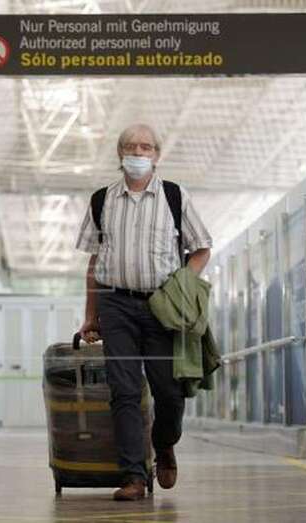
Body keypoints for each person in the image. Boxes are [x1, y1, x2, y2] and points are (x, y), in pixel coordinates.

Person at [75, 123, 213, 501]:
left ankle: (164, 443)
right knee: (124, 390)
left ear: (157, 154)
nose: (139, 152)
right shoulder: (102, 200)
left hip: (161, 307)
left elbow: (201, 248)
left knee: (169, 393)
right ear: (120, 154)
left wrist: (181, 285)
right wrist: (90, 315)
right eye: (131, 147)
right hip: (115, 304)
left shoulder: (174, 196)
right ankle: (134, 476)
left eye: (146, 146)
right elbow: (93, 261)